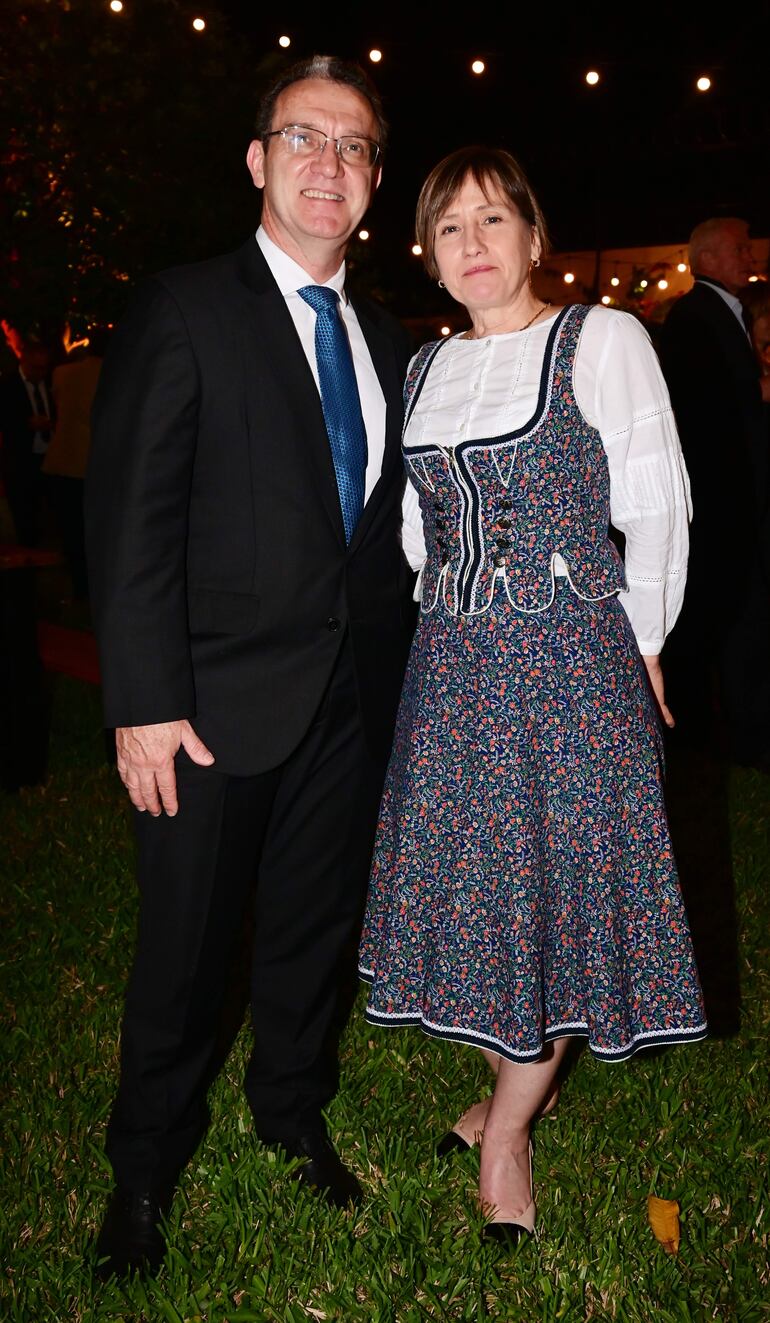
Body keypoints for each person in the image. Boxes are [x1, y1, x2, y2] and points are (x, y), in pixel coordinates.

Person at [85, 54, 414, 1277]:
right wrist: (144, 704)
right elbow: (130, 523)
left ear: (372, 180)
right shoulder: (184, 309)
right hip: (209, 708)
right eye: (304, 138)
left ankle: (290, 1111)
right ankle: (142, 1170)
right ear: (257, 159)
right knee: (184, 950)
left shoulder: (384, 336)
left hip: (349, 702)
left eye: (353, 145)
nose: (330, 163)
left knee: (311, 931)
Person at [358, 147, 707, 1244]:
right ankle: (515, 1087)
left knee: (556, 888)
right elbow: (418, 530)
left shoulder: (600, 341)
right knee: (486, 883)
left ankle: (506, 1131)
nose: (472, 244)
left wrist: (643, 638)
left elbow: (655, 503)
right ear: (429, 252)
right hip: (454, 666)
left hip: (565, 662)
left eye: (492, 220)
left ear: (533, 234)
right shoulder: (424, 368)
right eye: (448, 227)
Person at [658, 218, 770, 768]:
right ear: (705, 260)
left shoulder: (727, 312)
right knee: (730, 617)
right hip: (722, 507)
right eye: (738, 249)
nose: (750, 256)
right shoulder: (693, 319)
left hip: (740, 501)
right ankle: (726, 736)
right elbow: (701, 417)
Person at [44, 326, 110, 603]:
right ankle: (96, 589)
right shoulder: (115, 375)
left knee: (71, 530)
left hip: (62, 461)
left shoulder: (62, 373)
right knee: (99, 532)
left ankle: (79, 588)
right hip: (95, 464)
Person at [0, 340, 53, 546]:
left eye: (43, 368)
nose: (40, 373)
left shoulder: (50, 382)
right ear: (24, 362)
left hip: (48, 455)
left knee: (45, 507)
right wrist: (27, 423)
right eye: (35, 368)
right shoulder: (8, 385)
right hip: (20, 457)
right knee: (24, 508)